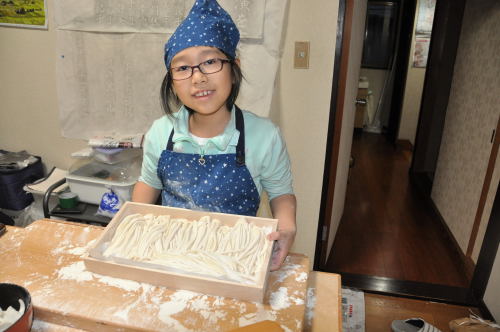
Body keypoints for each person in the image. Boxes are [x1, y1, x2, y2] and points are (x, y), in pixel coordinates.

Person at [132, 0, 296, 271]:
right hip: (170, 256)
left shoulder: (264, 136)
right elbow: (148, 184)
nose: (197, 78)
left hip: (235, 261)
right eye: (183, 68)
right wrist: (133, 224)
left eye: (210, 62)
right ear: (172, 82)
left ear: (234, 68)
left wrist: (287, 227)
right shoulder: (161, 132)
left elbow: (281, 194)